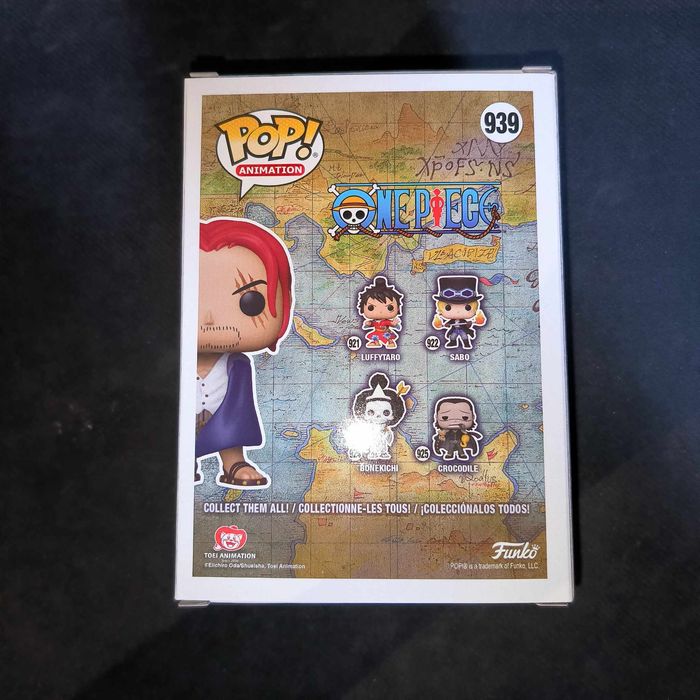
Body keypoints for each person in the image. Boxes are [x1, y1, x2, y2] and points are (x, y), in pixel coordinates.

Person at [195, 218, 294, 489]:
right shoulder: (170, 364)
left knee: (230, 429)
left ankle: (233, 461)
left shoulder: (237, 365)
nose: (209, 319)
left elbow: (241, 409)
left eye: (250, 302)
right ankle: (182, 459)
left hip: (221, 419)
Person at [357, 276, 403, 349]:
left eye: (390, 307)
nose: (380, 311)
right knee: (375, 337)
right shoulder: (374, 321)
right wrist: (368, 324)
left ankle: (390, 342)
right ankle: (376, 342)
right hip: (377, 332)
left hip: (385, 333)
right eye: (371, 308)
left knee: (388, 337)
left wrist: (394, 323)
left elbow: (391, 324)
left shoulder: (386, 321)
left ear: (398, 308)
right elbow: (371, 324)